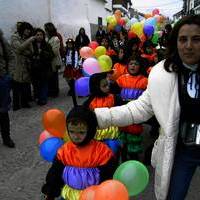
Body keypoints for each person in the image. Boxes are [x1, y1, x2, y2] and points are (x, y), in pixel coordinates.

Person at [94, 15, 200, 200]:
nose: (188, 46)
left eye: (196, 39)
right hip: (183, 150)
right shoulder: (163, 75)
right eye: (183, 39)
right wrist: (96, 117)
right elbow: (137, 109)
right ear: (175, 42)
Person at [42, 106, 116, 200]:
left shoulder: (102, 152)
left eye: (81, 132)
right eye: (72, 132)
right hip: (69, 195)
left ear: (90, 131)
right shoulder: (65, 151)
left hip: (92, 195)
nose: (76, 136)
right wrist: (51, 191)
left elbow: (108, 176)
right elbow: (55, 173)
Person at [116, 55, 148, 161]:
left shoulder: (144, 81)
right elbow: (114, 92)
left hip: (136, 113)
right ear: (127, 66)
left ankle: (134, 159)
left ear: (140, 66)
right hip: (123, 112)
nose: (133, 66)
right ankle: (124, 158)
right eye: (131, 63)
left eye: (136, 64)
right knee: (122, 136)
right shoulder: (121, 79)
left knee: (133, 137)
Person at [11, 22, 35, 110]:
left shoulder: (27, 38)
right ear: (23, 29)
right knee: (16, 85)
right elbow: (19, 48)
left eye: (29, 30)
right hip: (16, 64)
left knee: (25, 84)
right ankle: (16, 105)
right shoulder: (14, 37)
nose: (28, 32)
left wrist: (28, 43)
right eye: (27, 30)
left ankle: (25, 102)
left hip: (25, 64)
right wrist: (29, 40)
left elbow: (31, 52)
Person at [31, 28, 54, 105]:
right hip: (34, 69)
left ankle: (43, 99)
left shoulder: (47, 45)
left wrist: (43, 53)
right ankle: (38, 97)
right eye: (37, 35)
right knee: (36, 85)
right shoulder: (31, 45)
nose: (39, 36)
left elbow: (51, 55)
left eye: (41, 35)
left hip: (44, 68)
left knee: (44, 84)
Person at [0, 29, 15, 148]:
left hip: (1, 79)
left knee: (3, 110)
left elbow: (10, 56)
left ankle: (6, 137)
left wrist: (8, 75)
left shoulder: (1, 40)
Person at [44, 23, 62, 98]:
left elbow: (55, 51)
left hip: (54, 61)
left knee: (54, 76)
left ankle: (55, 92)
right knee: (50, 76)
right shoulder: (48, 39)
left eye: (46, 30)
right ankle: (51, 91)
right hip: (49, 61)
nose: (45, 32)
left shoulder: (55, 39)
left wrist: (46, 52)